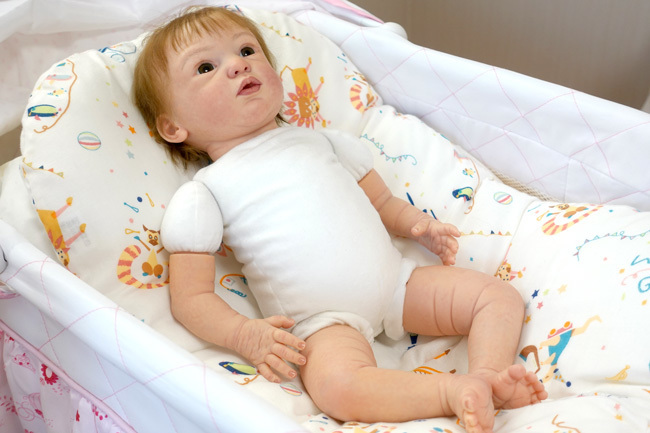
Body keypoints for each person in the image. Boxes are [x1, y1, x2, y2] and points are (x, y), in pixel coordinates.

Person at [133, 6, 547, 433]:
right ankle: (449, 392)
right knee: (337, 388)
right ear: (173, 127)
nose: (238, 65)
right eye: (205, 67)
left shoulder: (323, 142)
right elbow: (191, 298)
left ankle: (489, 378)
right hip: (323, 321)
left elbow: (382, 202)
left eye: (247, 50)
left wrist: (418, 225)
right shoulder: (205, 191)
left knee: (497, 297)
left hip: (398, 284)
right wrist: (243, 334)